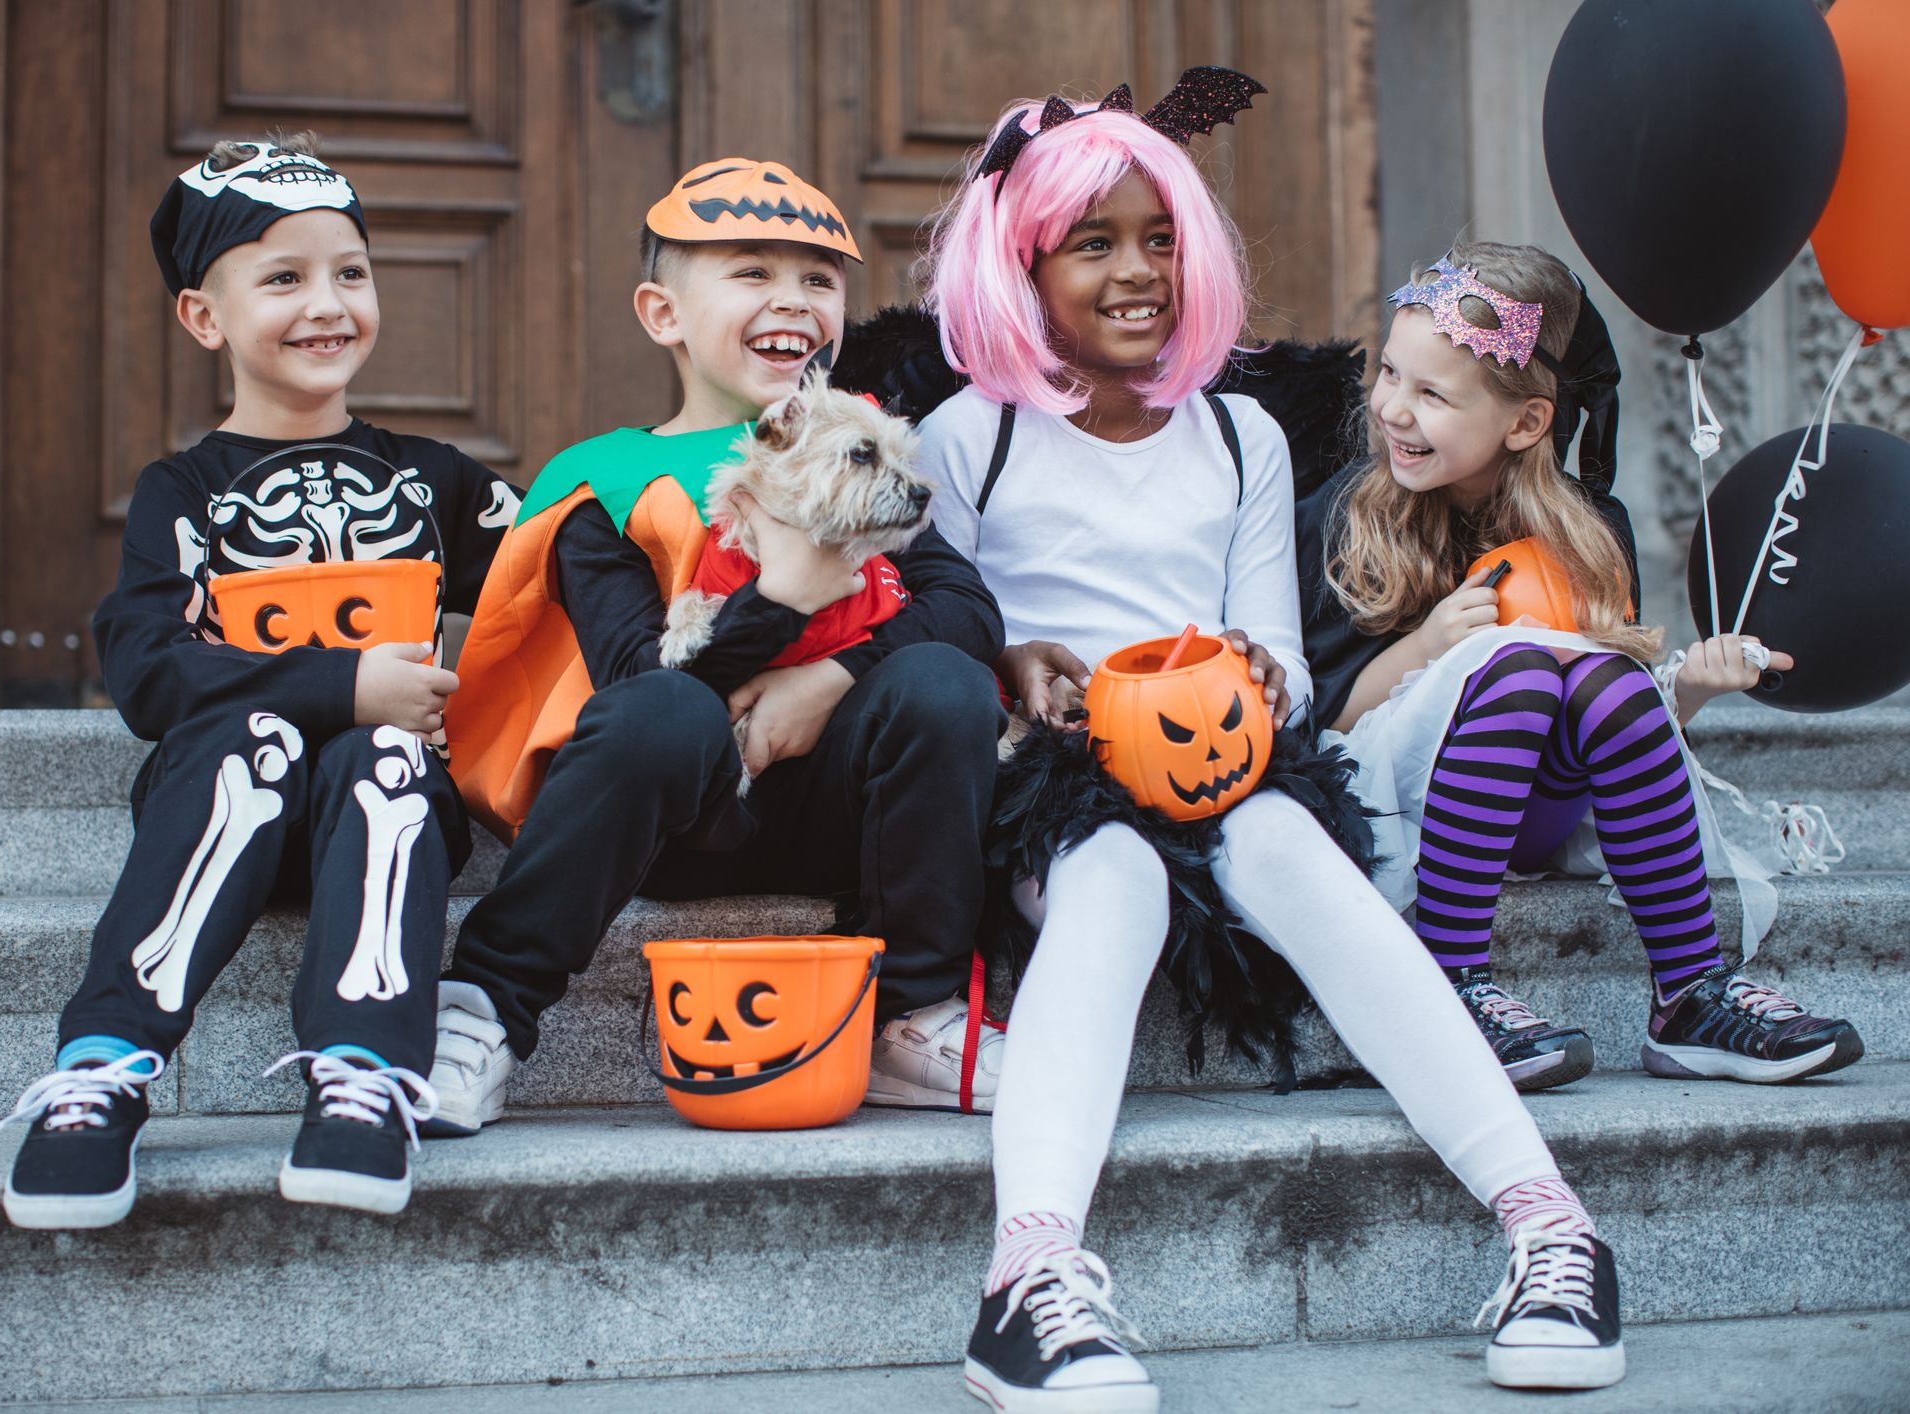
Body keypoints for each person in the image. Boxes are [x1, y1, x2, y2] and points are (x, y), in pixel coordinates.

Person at [919, 81, 1626, 1408]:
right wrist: (1009, 675)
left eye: (1159, 238)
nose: (1137, 270)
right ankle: (1029, 1276)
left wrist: (1263, 676)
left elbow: (1286, 654)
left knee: (1292, 847)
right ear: (1020, 267)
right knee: (1115, 875)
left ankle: (1550, 1224)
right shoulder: (973, 436)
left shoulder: (1238, 431)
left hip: (1227, 748)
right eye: (1093, 243)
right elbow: (932, 625)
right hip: (1055, 774)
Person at [0, 134, 518, 1226]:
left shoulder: (435, 483)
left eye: (350, 272)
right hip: (227, 802)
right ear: (203, 316)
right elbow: (147, 669)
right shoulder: (179, 494)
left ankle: (363, 1077)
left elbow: (558, 569)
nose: (327, 303)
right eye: (283, 276)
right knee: (253, 736)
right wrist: (342, 684)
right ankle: (102, 1067)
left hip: (383, 808)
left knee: (385, 751)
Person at [429, 157, 1008, 1135]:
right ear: (662, 312)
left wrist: (828, 678)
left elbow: (966, 610)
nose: (793, 299)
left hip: (842, 807)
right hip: (681, 820)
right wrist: (783, 598)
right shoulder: (605, 479)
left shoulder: (865, 447)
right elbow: (636, 677)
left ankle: (914, 1013)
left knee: (947, 680)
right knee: (659, 707)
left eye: (818, 280)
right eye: (752, 271)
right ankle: (484, 1005)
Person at [1299, 240, 1863, 1090]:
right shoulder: (1346, 515)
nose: (1393, 410)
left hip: (1539, 806)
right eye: (1388, 375)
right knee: (1520, 667)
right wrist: (1425, 649)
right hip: (1398, 801)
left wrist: (1686, 693)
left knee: (1605, 678)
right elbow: (1318, 723)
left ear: (1525, 422)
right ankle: (1446, 986)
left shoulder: (1590, 531)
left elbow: (1611, 730)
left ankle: (1689, 995)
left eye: (1431, 395)